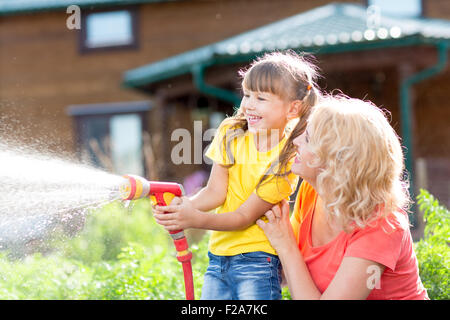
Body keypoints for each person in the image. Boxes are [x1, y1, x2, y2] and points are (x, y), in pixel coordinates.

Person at [153, 50, 320, 300]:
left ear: (292, 108)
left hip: (258, 262)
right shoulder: (231, 131)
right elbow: (215, 192)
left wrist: (193, 218)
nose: (249, 104)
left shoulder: (286, 159)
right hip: (218, 257)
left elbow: (244, 217)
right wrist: (183, 207)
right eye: (247, 94)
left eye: (261, 98)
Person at [257, 95, 429, 300]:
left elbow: (289, 253)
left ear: (338, 160)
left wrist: (285, 245)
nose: (295, 141)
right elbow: (288, 274)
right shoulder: (311, 192)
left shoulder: (382, 224)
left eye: (309, 138)